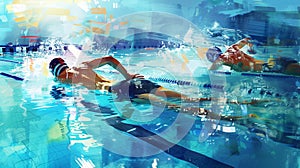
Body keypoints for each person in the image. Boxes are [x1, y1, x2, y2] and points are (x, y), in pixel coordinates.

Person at [49, 56, 267, 120]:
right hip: (132, 84)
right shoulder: (83, 67)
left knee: (179, 106)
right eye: (64, 75)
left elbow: (109, 59)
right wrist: (127, 76)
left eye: (64, 74)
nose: (67, 77)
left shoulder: (68, 80)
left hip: (124, 90)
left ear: (61, 72)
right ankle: (247, 103)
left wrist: (125, 77)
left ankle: (238, 118)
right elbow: (109, 60)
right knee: (188, 100)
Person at [207, 38, 300, 76]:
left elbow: (210, 73)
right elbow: (245, 40)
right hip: (273, 63)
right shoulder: (233, 48)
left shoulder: (222, 58)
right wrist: (251, 47)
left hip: (271, 68)